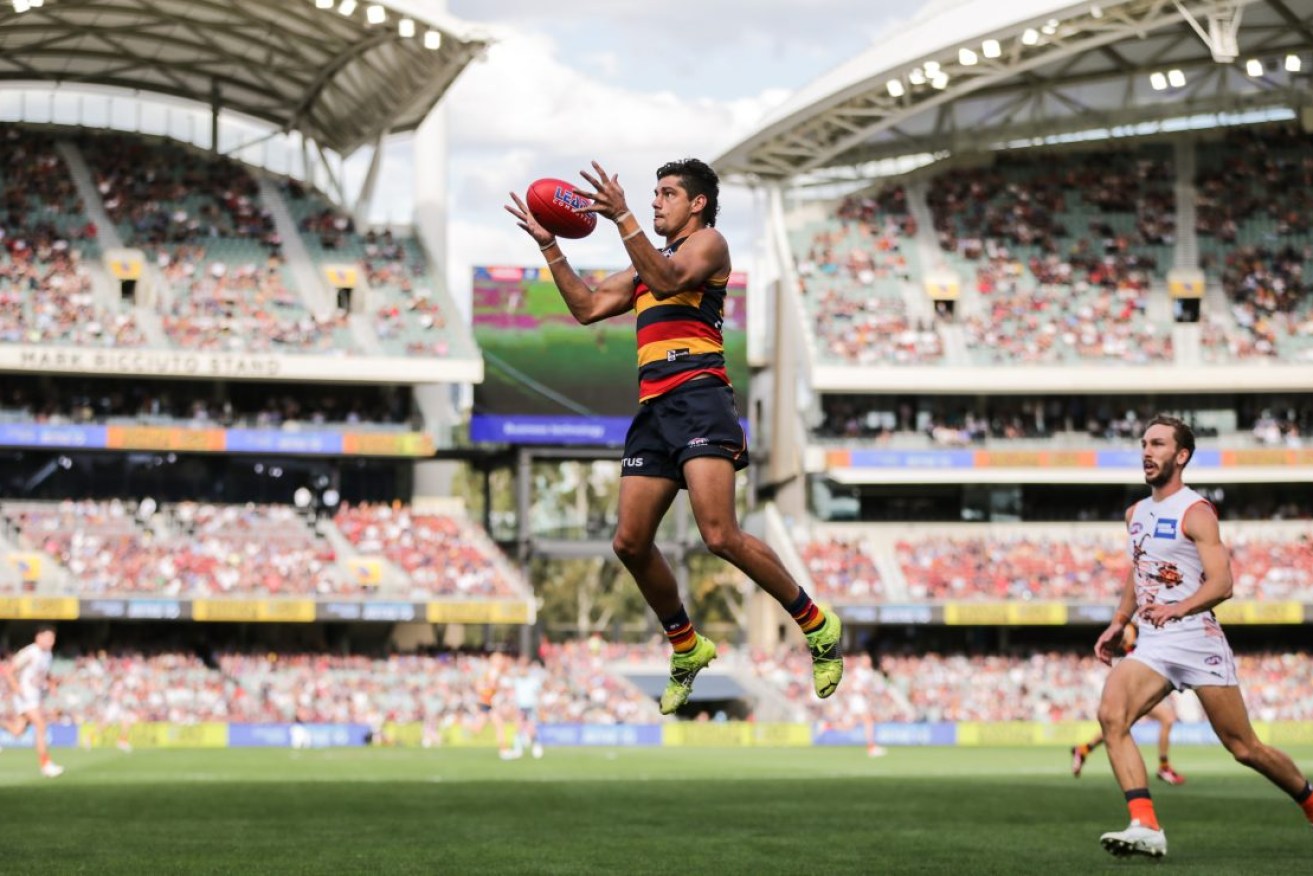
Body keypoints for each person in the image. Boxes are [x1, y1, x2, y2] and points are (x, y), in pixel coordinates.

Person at [506, 159, 843, 714]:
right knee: (629, 543)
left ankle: (816, 623)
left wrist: (622, 217)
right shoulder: (648, 263)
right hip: (655, 408)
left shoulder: (710, 244)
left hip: (700, 396)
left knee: (719, 535)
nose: (657, 202)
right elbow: (587, 307)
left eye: (667, 194)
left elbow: (669, 279)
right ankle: (686, 644)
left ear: (698, 204)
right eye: (653, 194)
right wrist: (550, 246)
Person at [1093, 416, 1313, 858]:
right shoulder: (1135, 513)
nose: (1147, 452)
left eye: (1157, 444)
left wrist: (1177, 607)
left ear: (1182, 456)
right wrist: (1119, 620)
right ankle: (1146, 825)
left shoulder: (1196, 512)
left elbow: (1222, 584)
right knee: (1112, 715)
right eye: (1143, 444)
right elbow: (1141, 570)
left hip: (1196, 637)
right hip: (1154, 642)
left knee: (1244, 748)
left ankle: (1310, 800)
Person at [1071, 622, 1185, 784]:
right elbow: (1130, 652)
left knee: (1122, 724)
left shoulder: (1145, 628)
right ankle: (1164, 767)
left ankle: (1083, 749)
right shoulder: (1130, 628)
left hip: (1138, 684)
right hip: (1132, 685)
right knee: (1163, 719)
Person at [2, 625, 64, 777]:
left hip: (34, 697)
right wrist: (17, 689)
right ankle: (45, 764)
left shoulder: (47, 654)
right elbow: (9, 670)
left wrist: (51, 684)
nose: (51, 641)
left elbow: (44, 673)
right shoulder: (30, 652)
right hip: (25, 696)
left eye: (53, 638)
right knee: (41, 725)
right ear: (38, 637)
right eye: (48, 638)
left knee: (17, 731)